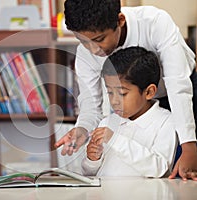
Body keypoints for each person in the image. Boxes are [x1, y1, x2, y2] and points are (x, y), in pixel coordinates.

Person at [54, 0, 197, 180]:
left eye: (99, 40)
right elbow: (91, 104)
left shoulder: (154, 22)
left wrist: (189, 144)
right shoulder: (85, 54)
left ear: (120, 20)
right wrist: (82, 128)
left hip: (183, 91)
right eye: (82, 41)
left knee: (187, 165)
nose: (92, 49)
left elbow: (178, 85)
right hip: (134, 103)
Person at [82, 46, 177, 177]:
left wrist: (115, 139)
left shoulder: (166, 122)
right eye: (110, 92)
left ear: (148, 92)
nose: (114, 101)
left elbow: (160, 168)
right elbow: (90, 173)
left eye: (122, 93)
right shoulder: (107, 122)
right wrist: (92, 160)